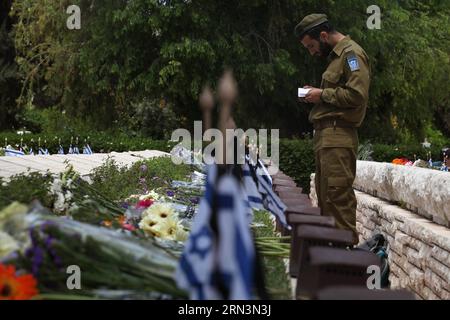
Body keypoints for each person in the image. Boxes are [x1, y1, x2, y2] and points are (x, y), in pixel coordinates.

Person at [295, 14, 371, 243]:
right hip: (328, 136)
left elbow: (357, 95)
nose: (311, 51)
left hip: (339, 135)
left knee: (337, 196)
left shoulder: (351, 55)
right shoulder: (337, 58)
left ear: (324, 35)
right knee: (327, 196)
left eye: (311, 46)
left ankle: (345, 256)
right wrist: (317, 95)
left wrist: (322, 94)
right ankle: (332, 256)